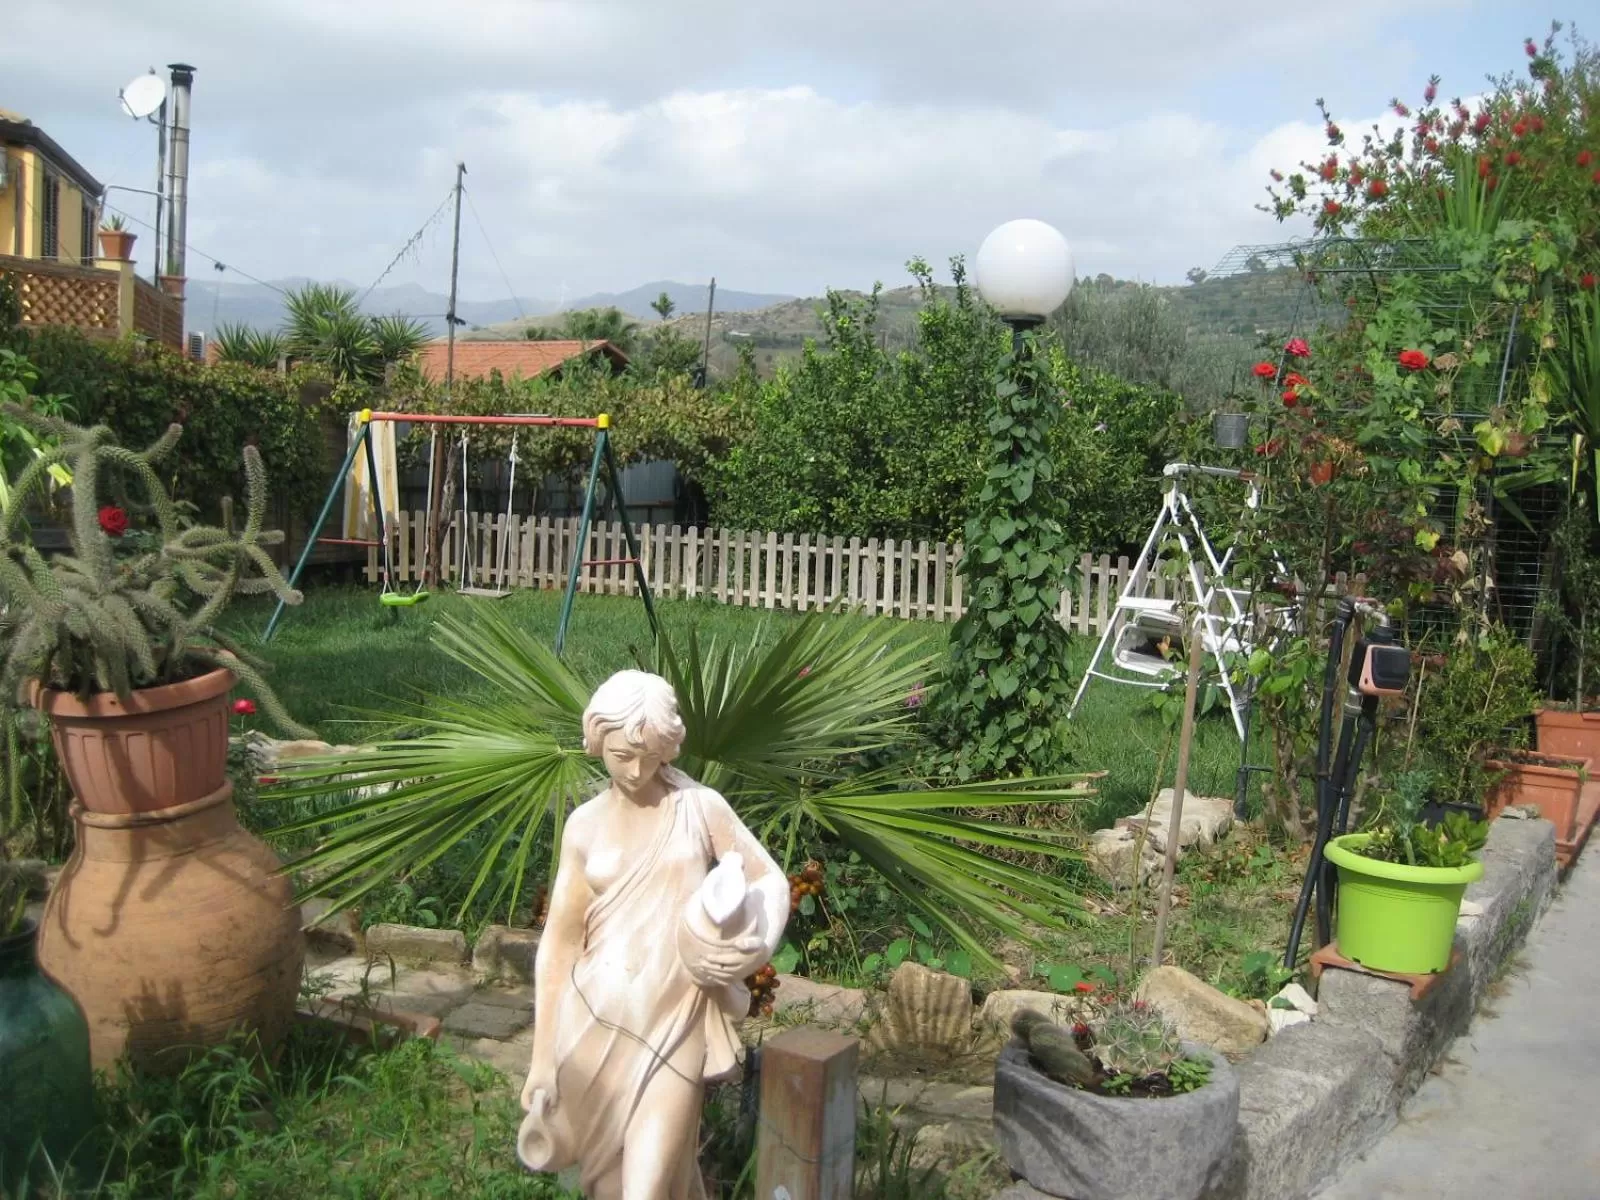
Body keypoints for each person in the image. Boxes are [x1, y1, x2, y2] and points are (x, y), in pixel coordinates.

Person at [518, 670, 788, 1199]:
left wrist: (749, 950)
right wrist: (542, 1059)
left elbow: (768, 878)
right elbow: (560, 944)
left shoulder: (698, 806)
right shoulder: (585, 826)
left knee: (644, 1186)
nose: (638, 770)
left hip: (673, 1023)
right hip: (592, 1021)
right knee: (613, 1187)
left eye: (650, 755)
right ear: (598, 742)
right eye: (622, 755)